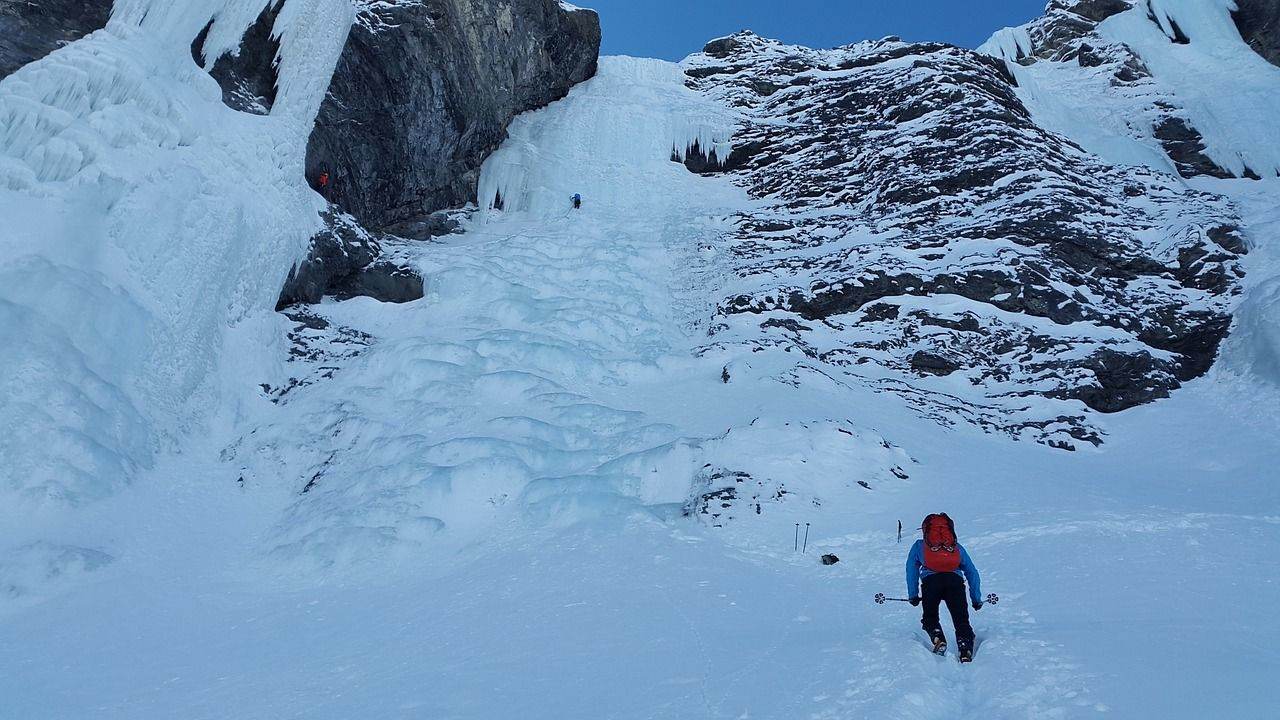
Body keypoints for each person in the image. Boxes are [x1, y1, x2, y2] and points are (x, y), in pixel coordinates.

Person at [906, 513, 982, 661]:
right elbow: (972, 572)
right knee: (961, 620)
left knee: (930, 617)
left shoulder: (919, 546)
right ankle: (965, 647)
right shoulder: (956, 547)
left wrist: (913, 595)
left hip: (931, 583)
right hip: (955, 582)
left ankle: (937, 637)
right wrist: (976, 599)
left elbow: (911, 570)